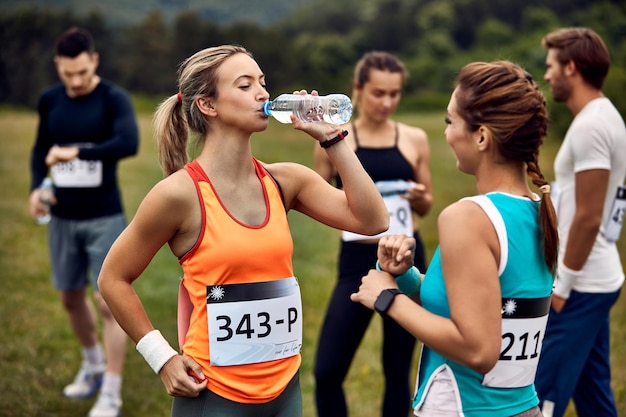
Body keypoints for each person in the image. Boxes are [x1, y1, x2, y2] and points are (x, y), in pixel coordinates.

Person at [97, 45, 389, 417]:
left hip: (286, 388)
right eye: (245, 85)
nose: (263, 93)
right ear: (208, 105)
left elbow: (372, 220)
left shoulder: (286, 180)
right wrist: (163, 358)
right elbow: (113, 278)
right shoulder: (178, 195)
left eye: (263, 83)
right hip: (213, 393)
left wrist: (332, 139)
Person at [351, 60, 559, 417]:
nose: (447, 134)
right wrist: (406, 277)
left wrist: (386, 298)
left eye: (451, 121)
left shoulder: (469, 218)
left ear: (481, 136)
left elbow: (479, 349)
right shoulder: (539, 209)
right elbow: (481, 305)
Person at [312, 51, 432, 417]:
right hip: (356, 261)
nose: (387, 102)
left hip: (405, 261)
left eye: (394, 93)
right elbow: (317, 199)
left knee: (397, 370)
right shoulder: (333, 139)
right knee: (327, 370)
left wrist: (419, 197)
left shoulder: (414, 138)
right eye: (378, 93)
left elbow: (425, 206)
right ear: (358, 90)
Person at [28, 27, 139, 417]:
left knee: (107, 302)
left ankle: (111, 390)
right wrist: (35, 187)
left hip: (104, 215)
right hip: (62, 216)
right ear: (59, 65)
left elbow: (129, 143)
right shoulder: (50, 101)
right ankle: (92, 366)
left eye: (82, 73)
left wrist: (77, 151)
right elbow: (41, 149)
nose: (75, 82)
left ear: (94, 61)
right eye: (67, 74)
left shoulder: (113, 99)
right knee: (70, 297)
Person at [534, 27, 626, 417]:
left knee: (541, 397)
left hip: (582, 284)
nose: (548, 75)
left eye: (552, 66)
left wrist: (563, 286)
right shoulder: (602, 117)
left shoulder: (591, 125)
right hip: (595, 278)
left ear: (571, 67)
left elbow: (589, 216)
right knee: (593, 397)